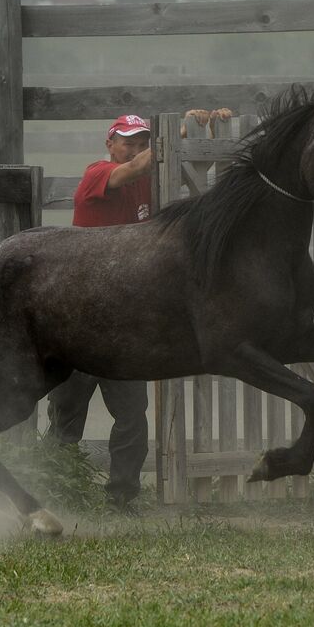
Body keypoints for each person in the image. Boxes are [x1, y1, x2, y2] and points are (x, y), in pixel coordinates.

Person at [46, 107, 230, 506]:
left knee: (131, 414)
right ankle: (56, 490)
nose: (135, 149)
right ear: (109, 143)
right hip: (80, 314)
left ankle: (122, 497)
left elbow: (194, 175)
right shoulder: (98, 173)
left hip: (127, 319)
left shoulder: (153, 179)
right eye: (127, 141)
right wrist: (175, 132)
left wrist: (205, 131)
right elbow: (137, 168)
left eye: (142, 142)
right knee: (66, 415)